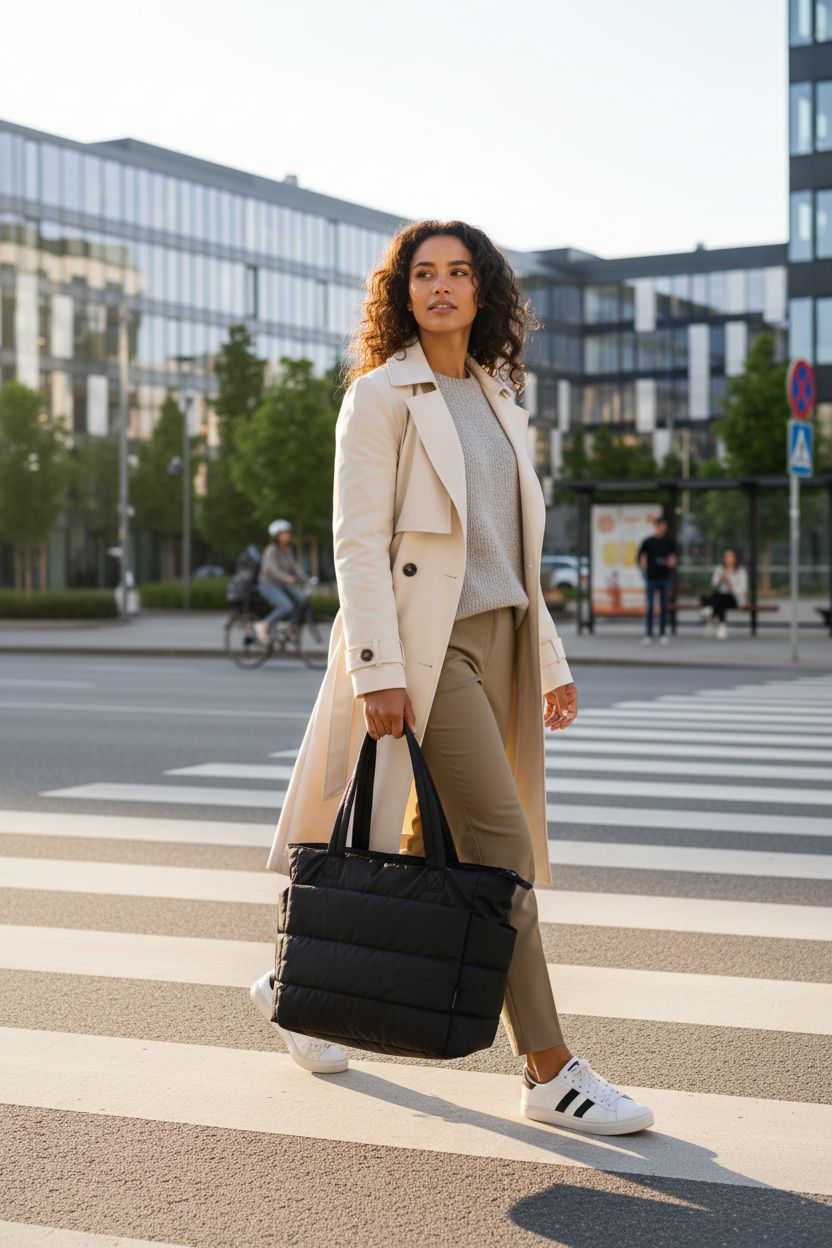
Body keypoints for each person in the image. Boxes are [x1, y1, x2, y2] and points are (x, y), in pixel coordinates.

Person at [250, 220, 654, 1137]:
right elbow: (358, 544)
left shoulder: (501, 398)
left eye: (458, 273)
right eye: (423, 274)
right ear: (403, 294)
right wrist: (377, 669)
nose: (441, 287)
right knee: (500, 848)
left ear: (484, 293)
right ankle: (549, 1070)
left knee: (411, 846)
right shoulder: (380, 395)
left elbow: (511, 549)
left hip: (500, 637)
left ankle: (294, 973)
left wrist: (548, 659)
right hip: (428, 648)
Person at [254, 519, 308, 646]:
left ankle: (290, 628)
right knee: (286, 606)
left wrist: (306, 578)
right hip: (268, 584)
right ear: (276, 536)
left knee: (301, 600)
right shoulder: (271, 550)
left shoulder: (287, 550)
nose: (287, 535)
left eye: (287, 533)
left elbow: (295, 566)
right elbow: (272, 570)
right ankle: (263, 624)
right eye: (284, 533)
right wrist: (287, 578)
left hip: (282, 584)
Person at [637, 515, 677, 645]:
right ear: (656, 527)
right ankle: (648, 634)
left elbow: (674, 558)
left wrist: (672, 561)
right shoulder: (648, 542)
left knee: (663, 606)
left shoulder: (670, 541)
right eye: (659, 526)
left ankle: (663, 633)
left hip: (665, 577)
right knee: (650, 606)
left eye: (663, 526)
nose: (661, 529)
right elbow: (641, 557)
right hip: (651, 578)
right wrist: (644, 564)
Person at [700, 547, 748, 640]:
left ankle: (709, 614)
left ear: (735, 558)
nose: (728, 559)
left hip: (734, 598)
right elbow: (714, 584)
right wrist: (720, 579)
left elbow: (742, 590)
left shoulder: (741, 571)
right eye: (725, 556)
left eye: (730, 556)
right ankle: (722, 625)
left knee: (719, 598)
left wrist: (730, 583)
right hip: (720, 598)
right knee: (712, 596)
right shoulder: (720, 569)